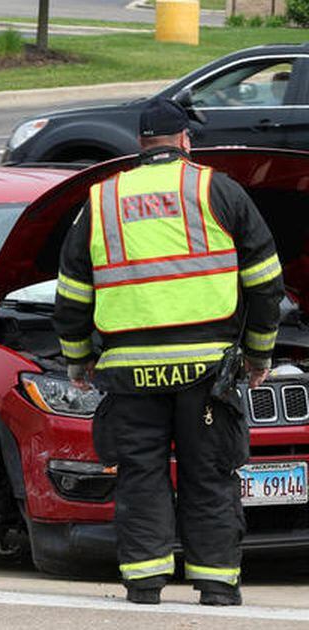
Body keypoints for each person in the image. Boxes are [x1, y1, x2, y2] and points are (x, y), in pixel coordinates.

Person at [53, 98, 284, 606]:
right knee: (211, 474)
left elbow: (72, 294)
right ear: (184, 141)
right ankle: (217, 585)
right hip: (207, 372)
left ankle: (144, 584)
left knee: (141, 474)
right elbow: (266, 283)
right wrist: (258, 355)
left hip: (130, 372)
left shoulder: (101, 200)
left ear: (141, 145)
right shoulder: (216, 189)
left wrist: (77, 360)